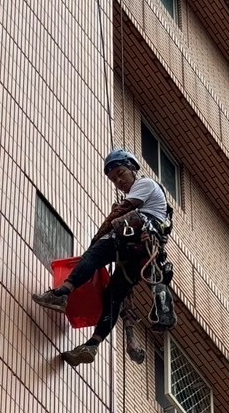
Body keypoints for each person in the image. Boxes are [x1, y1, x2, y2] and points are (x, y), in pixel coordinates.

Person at [33, 149, 171, 366]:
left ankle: (61, 293)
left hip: (135, 236)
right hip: (140, 251)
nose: (118, 181)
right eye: (114, 179)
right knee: (114, 296)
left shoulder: (145, 184)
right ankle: (92, 345)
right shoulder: (154, 202)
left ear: (133, 169)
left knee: (97, 253)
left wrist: (96, 239)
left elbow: (120, 213)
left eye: (121, 173)